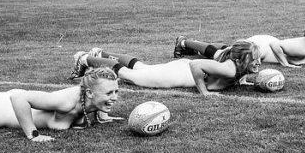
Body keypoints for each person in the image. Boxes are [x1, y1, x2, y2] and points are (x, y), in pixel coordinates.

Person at [69, 40, 262, 96]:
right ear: (240, 60)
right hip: (176, 75)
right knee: (132, 76)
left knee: (142, 67)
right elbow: (196, 64)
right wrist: (204, 92)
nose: (259, 63)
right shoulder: (229, 68)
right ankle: (85, 59)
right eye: (254, 59)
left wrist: (245, 80)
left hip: (179, 69)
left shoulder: (238, 66)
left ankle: (101, 53)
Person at [173, 23, 305, 69]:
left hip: (263, 46)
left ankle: (190, 45)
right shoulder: (301, 47)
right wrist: (285, 65)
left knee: (226, 48)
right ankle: (184, 42)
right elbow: (274, 45)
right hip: (262, 45)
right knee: (221, 54)